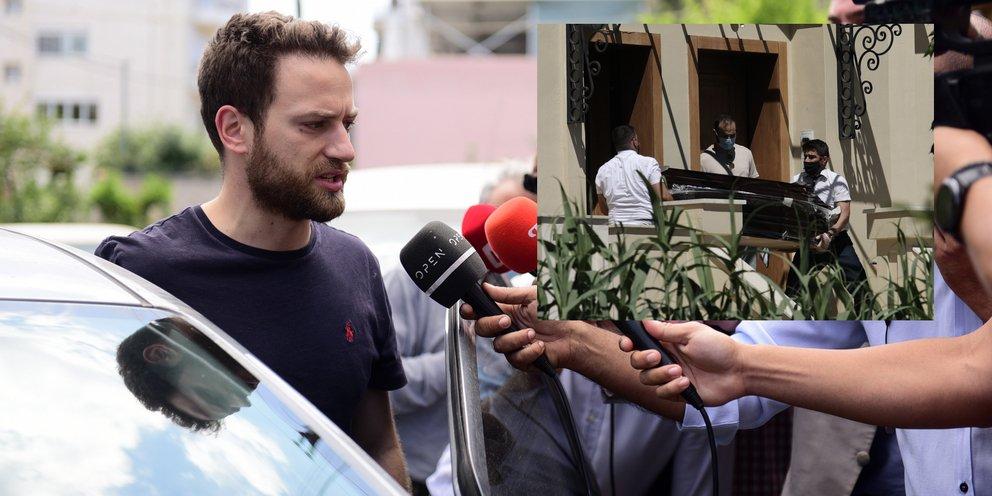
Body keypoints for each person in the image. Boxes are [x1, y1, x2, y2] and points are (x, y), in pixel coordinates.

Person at [94, 12, 409, 489]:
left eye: (347, 123)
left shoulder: (356, 264)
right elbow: (103, 442)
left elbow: (378, 445)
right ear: (234, 129)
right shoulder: (138, 272)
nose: (345, 149)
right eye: (315, 125)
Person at [385, 171, 532, 495]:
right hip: (414, 478)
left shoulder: (518, 295)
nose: (503, 236)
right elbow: (383, 386)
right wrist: (462, 365)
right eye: (497, 219)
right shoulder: (410, 283)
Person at [784, 138, 869, 305]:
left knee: (859, 286)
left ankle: (865, 316)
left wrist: (830, 234)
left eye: (812, 157)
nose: (807, 160)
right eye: (805, 157)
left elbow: (844, 213)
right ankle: (793, 318)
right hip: (810, 241)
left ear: (824, 160)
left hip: (837, 241)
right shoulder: (796, 181)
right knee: (794, 290)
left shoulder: (836, 180)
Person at [594, 125, 673, 226]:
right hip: (644, 226)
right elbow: (663, 196)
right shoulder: (649, 163)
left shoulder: (603, 170)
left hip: (616, 228)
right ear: (634, 141)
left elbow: (603, 209)